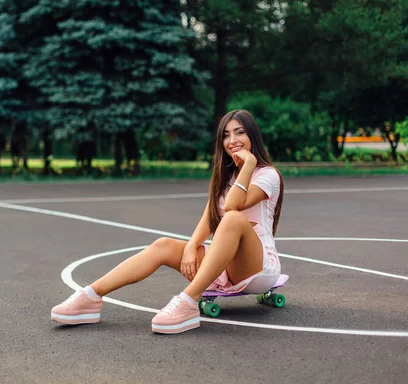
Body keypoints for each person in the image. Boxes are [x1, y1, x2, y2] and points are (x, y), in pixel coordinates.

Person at [51, 110, 284, 334]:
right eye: (226, 134)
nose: (232, 140)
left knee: (233, 218)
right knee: (163, 245)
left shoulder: (267, 175)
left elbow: (233, 206)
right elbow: (210, 217)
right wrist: (192, 247)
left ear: (253, 135)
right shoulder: (227, 176)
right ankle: (91, 297)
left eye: (239, 132)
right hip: (226, 265)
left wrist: (249, 165)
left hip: (259, 269)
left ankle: (188, 301)